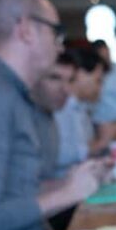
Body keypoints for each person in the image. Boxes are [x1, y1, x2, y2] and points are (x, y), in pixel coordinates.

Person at [0, 0, 105, 230]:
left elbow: (13, 190)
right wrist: (66, 193)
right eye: (54, 32)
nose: (59, 46)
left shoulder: (12, 92)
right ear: (25, 29)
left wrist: (68, 183)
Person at [54, 45, 107, 176]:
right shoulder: (61, 107)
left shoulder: (81, 109)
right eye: (98, 81)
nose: (100, 88)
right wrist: (103, 141)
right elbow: (56, 154)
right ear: (80, 74)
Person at [31, 51, 77, 181]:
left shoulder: (50, 116)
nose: (66, 89)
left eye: (70, 80)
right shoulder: (21, 117)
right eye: (55, 78)